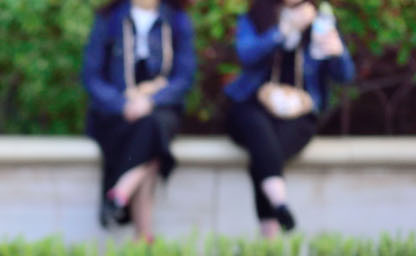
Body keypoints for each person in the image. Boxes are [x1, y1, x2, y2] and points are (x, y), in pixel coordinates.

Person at [224, 0, 354, 235]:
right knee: (258, 130)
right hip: (252, 105)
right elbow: (247, 55)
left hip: (298, 114)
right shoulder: (256, 15)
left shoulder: (321, 20)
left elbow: (344, 76)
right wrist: (283, 30)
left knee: (264, 151)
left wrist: (338, 53)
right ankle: (280, 205)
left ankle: (272, 228)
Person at [81, 0, 195, 242]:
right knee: (152, 138)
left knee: (153, 125)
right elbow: (92, 77)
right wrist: (123, 104)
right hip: (116, 113)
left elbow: (184, 77)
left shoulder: (176, 18)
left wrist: (151, 100)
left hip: (160, 108)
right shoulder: (109, 18)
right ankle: (143, 235)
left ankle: (121, 192)